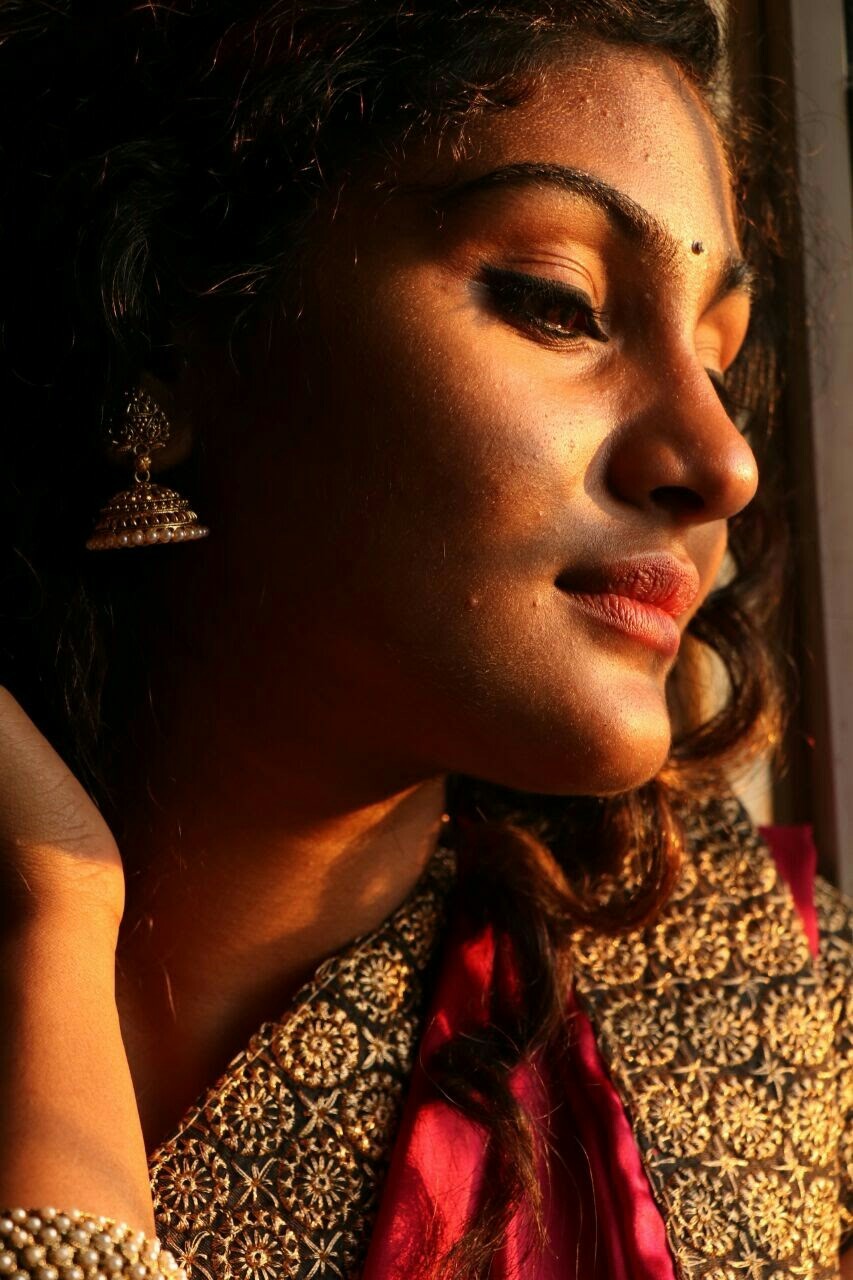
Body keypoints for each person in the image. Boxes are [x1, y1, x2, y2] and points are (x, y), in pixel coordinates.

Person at [0, 1, 850, 1277]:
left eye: (718, 361)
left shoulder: (780, 1018)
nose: (722, 460)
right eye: (558, 301)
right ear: (168, 330)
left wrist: (57, 920)